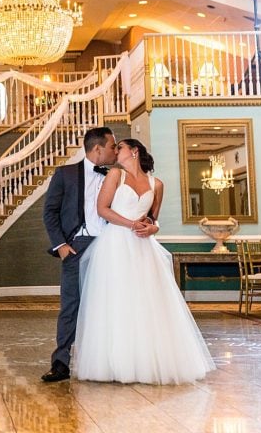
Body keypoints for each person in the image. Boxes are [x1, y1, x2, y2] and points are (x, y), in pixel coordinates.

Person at [73, 138, 215, 384]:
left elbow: (153, 219)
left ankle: (149, 362)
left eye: (121, 148)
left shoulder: (156, 184)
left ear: (134, 151)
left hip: (143, 247)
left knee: (148, 301)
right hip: (116, 244)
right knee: (119, 301)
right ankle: (115, 363)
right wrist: (131, 225)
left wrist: (152, 229)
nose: (116, 151)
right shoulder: (115, 176)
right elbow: (102, 209)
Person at [41, 126, 122, 382]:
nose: (116, 150)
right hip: (76, 246)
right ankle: (61, 362)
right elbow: (49, 212)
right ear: (97, 149)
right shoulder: (65, 174)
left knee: (109, 304)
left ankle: (110, 362)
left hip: (109, 245)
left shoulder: (117, 176)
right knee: (71, 305)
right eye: (112, 146)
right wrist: (61, 246)